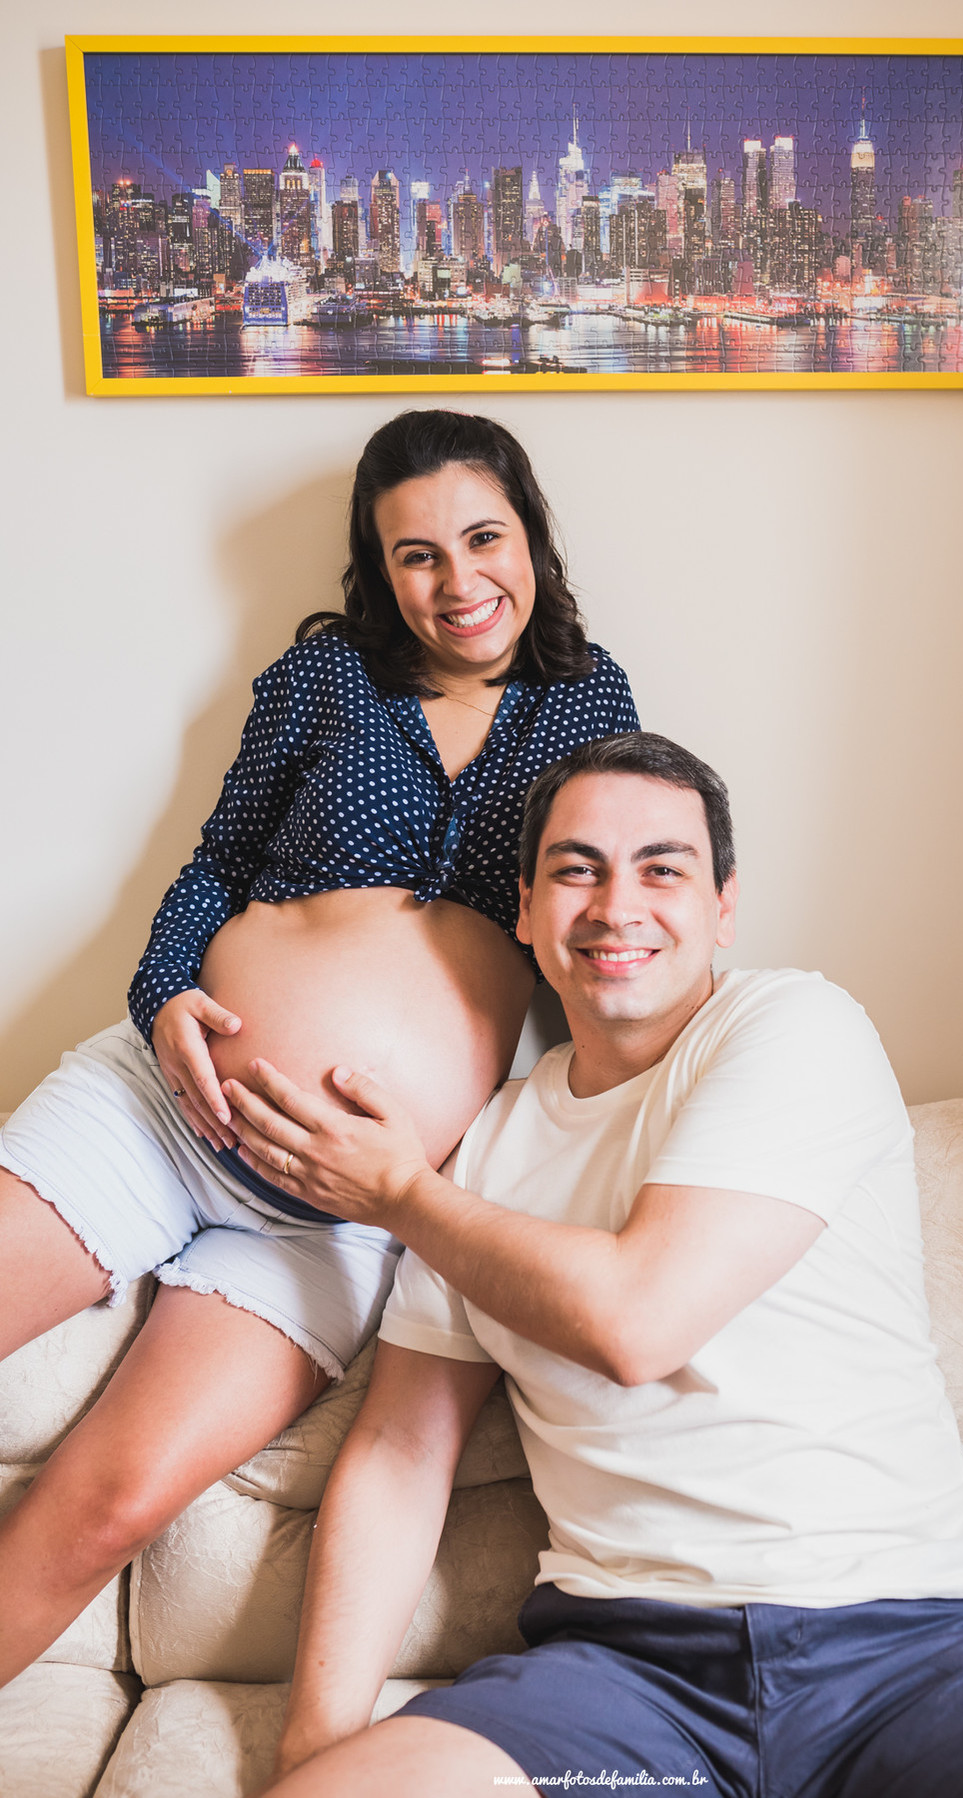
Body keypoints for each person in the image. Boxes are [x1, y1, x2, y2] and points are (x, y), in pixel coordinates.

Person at [222, 733, 963, 1798]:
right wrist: (314, 1739)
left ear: (723, 907)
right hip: (624, 1680)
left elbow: (638, 1321)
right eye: (577, 869)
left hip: (915, 1652)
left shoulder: (795, 1026)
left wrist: (401, 1196)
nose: (616, 906)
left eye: (663, 868)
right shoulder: (485, 1146)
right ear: (526, 909)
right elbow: (402, 1449)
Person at [0, 411, 638, 1689]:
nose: (457, 582)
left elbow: (609, 915)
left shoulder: (592, 701)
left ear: (531, 536)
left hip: (338, 1222)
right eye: (417, 555)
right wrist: (162, 995)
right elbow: (219, 861)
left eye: (483, 539)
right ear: (378, 567)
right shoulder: (325, 675)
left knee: (110, 1503)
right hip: (163, 1111)